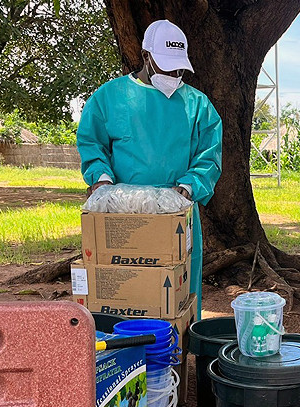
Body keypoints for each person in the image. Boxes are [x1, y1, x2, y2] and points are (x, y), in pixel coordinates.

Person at [77, 19, 222, 319]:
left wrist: (189, 186)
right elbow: (91, 143)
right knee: (125, 294)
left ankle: (176, 361)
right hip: (122, 215)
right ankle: (123, 358)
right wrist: (101, 181)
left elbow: (209, 156)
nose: (174, 75)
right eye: (167, 67)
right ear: (145, 57)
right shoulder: (109, 98)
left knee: (176, 299)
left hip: (176, 214)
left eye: (179, 69)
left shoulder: (198, 105)